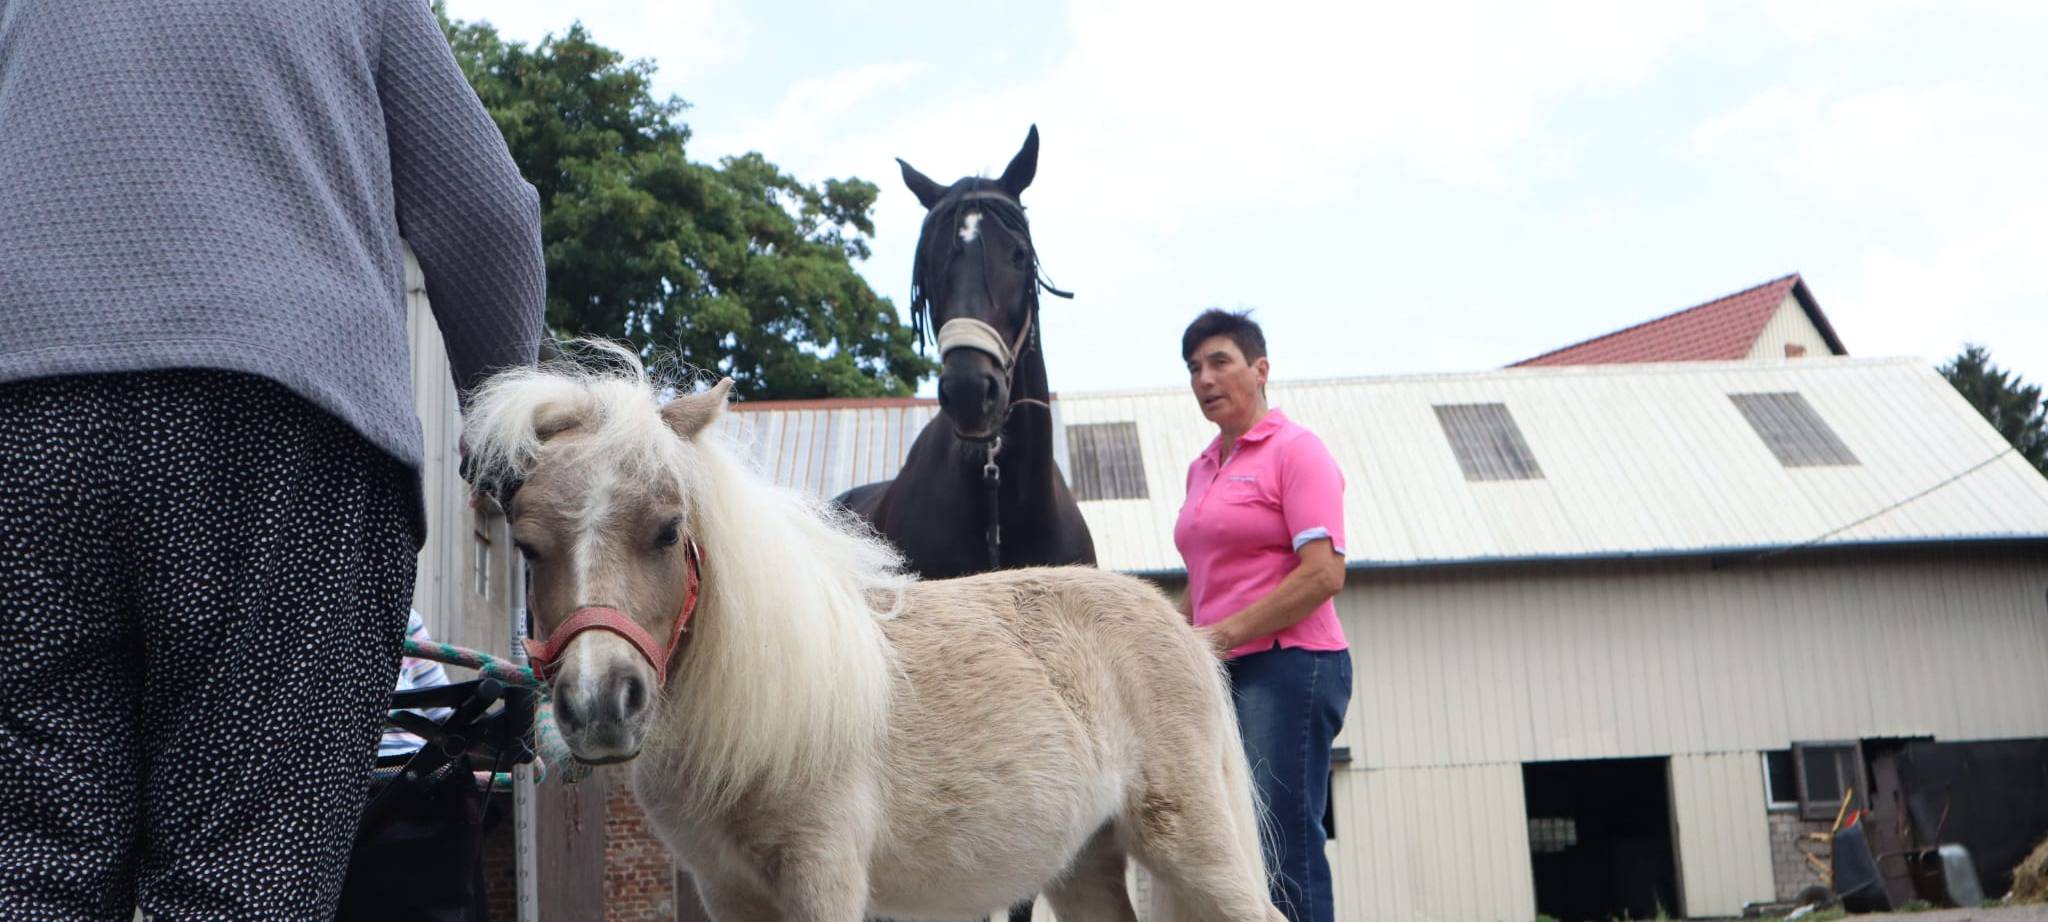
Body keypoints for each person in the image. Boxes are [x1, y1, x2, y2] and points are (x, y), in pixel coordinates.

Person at [0, 0, 545, 918]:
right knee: (243, 875)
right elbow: (485, 211)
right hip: (280, 431)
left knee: (28, 867)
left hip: (24, 429)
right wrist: (507, 440)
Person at [1172, 309, 1352, 922]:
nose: (1204, 378)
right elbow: (1204, 580)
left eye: (1219, 361)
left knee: (1283, 842)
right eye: (1194, 368)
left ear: (1261, 368)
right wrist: (1168, 639)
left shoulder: (1296, 452)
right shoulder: (1202, 467)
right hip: (1220, 672)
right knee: (1234, 845)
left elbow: (1325, 573)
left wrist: (1221, 636)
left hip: (1290, 666)